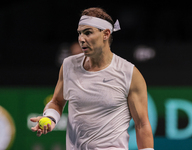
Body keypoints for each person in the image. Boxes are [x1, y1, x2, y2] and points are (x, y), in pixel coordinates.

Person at [30, 7, 154, 150]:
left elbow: (142, 124)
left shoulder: (129, 73)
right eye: (80, 33)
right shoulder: (69, 65)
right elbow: (57, 102)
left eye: (88, 33)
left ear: (106, 34)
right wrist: (50, 118)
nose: (81, 39)